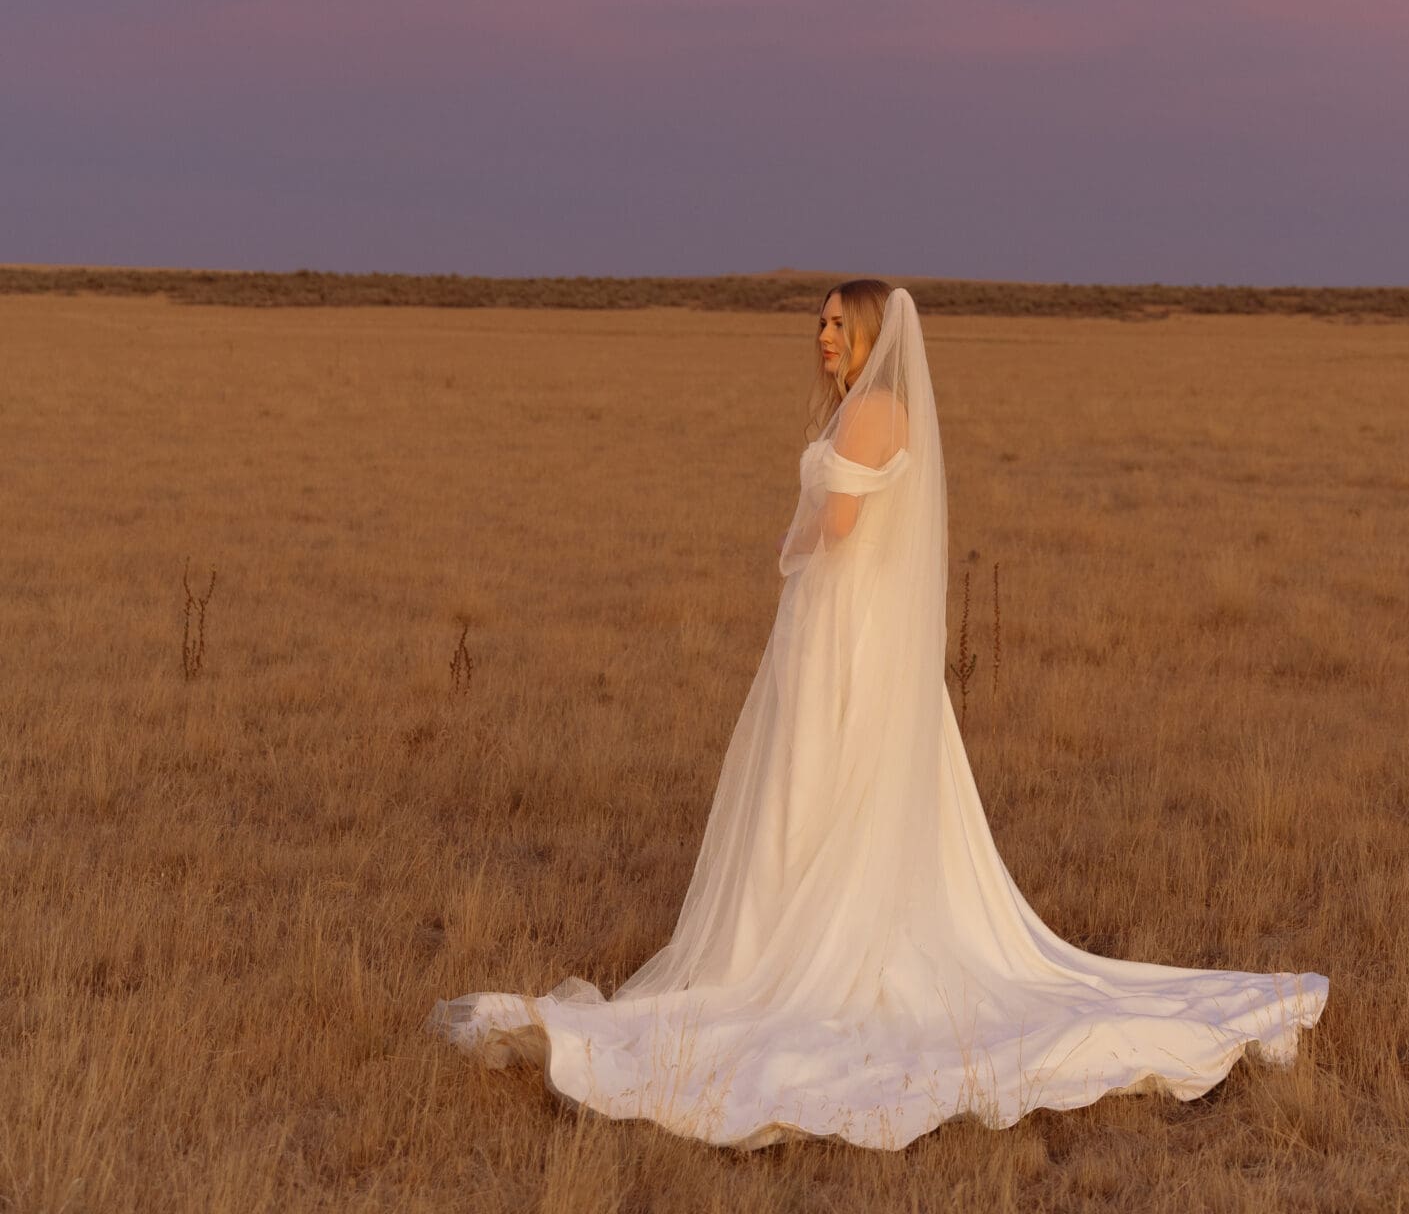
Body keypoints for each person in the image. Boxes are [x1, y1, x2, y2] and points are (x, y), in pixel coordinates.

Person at [431, 279, 1327, 1148]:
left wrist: (796, 536)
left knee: (817, 769)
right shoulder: (866, 404)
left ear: (869, 330)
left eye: (834, 324)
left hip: (841, 624)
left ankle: (797, 947)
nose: (821, 337)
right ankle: (787, 927)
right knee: (815, 774)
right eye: (817, 323)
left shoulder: (868, 411)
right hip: (837, 620)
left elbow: (845, 527)